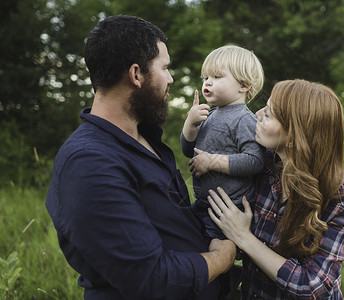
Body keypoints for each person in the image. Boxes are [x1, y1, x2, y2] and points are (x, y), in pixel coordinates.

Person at [45, 15, 236, 299]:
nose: (170, 78)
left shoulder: (146, 139)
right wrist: (222, 259)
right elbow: (150, 278)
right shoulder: (89, 162)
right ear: (136, 74)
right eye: (165, 68)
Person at [206, 79, 344, 299]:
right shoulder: (262, 165)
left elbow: (311, 285)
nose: (257, 114)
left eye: (269, 114)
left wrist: (244, 237)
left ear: (293, 137)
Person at [181, 45, 265, 240]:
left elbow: (255, 160)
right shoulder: (209, 115)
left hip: (229, 209)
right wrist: (190, 124)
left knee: (214, 253)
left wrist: (212, 162)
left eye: (217, 77)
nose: (208, 83)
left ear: (244, 85)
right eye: (206, 78)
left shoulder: (244, 119)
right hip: (204, 204)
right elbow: (188, 150)